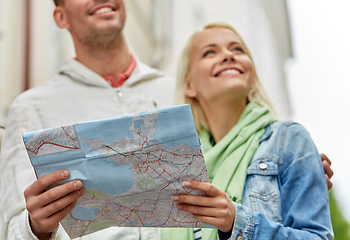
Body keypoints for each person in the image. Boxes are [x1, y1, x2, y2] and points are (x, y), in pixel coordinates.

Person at [0, 1, 333, 239]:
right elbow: (12, 230)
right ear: (60, 16)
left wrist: (298, 173)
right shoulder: (31, 107)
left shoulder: (183, 93)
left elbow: (241, 151)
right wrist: (36, 228)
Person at [161, 22, 334, 240]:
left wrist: (237, 222)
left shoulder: (289, 139)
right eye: (209, 52)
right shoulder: (176, 164)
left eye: (237, 49)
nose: (227, 55)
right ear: (189, 85)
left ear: (250, 75)